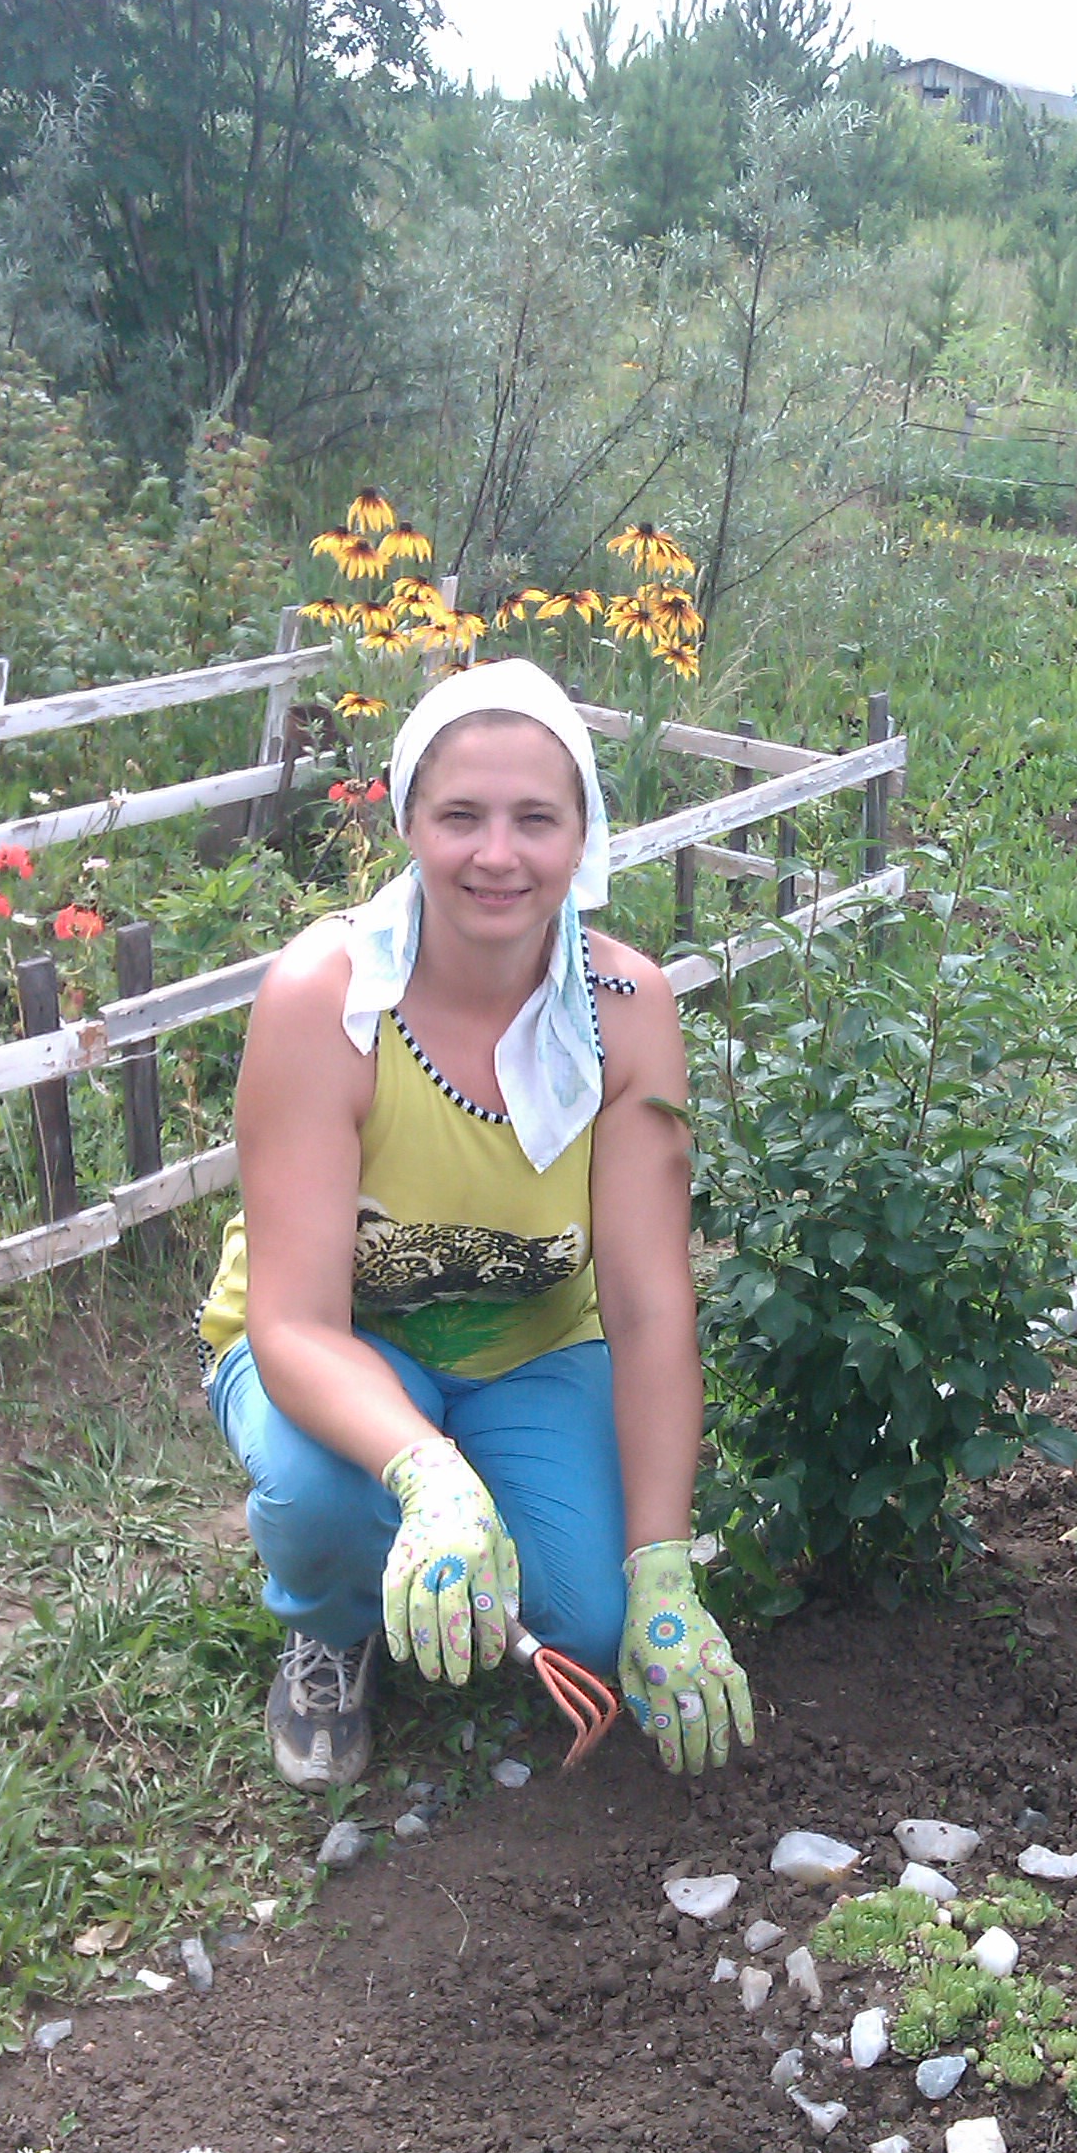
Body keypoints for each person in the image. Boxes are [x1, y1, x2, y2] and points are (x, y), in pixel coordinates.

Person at [197, 657, 755, 1791]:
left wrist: (662, 1567)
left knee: (589, 1616)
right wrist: (428, 1472)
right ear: (407, 820)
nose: (497, 855)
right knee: (321, 1494)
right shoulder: (325, 997)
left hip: (532, 1351)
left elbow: (648, 1308)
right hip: (340, 1355)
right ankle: (333, 1622)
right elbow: (295, 1322)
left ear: (582, 834)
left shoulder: (630, 1012)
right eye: (461, 817)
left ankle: (491, 1560)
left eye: (534, 820)